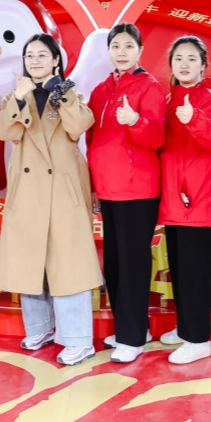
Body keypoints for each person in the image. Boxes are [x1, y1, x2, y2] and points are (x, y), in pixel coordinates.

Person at [0, 34, 103, 366]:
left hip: (63, 192)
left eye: (43, 55)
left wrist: (62, 94)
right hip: (28, 192)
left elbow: (79, 126)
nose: (35, 60)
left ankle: (78, 340)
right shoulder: (17, 95)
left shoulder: (71, 94)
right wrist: (20, 98)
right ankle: (40, 328)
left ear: (56, 60)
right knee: (30, 262)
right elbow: (4, 132)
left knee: (68, 265)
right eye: (30, 55)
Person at [87, 23, 167, 364]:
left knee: (133, 263)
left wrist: (135, 120)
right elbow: (92, 140)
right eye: (116, 46)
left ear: (140, 51)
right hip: (107, 188)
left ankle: (132, 338)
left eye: (128, 46)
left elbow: (157, 137)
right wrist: (93, 186)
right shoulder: (100, 90)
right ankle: (131, 328)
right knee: (116, 263)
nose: (121, 52)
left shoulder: (150, 87)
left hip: (138, 189)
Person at [158, 36, 211, 364]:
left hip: (199, 198)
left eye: (191, 58)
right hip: (174, 198)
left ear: (203, 64)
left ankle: (199, 339)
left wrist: (193, 118)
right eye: (178, 59)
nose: (184, 64)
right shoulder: (169, 98)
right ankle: (185, 327)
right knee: (180, 267)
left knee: (196, 271)